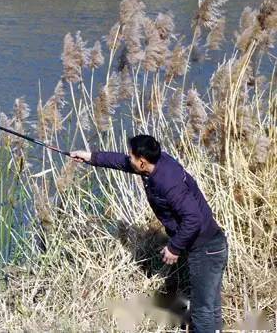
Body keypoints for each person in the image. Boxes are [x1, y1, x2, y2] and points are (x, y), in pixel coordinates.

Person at [70, 134, 228, 333]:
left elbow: (193, 218)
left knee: (203, 311)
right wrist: (90, 157)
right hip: (209, 246)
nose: (129, 159)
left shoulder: (167, 183)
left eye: (132, 157)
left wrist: (174, 247)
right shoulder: (155, 164)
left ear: (142, 162)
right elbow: (122, 162)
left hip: (206, 249)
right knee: (210, 306)